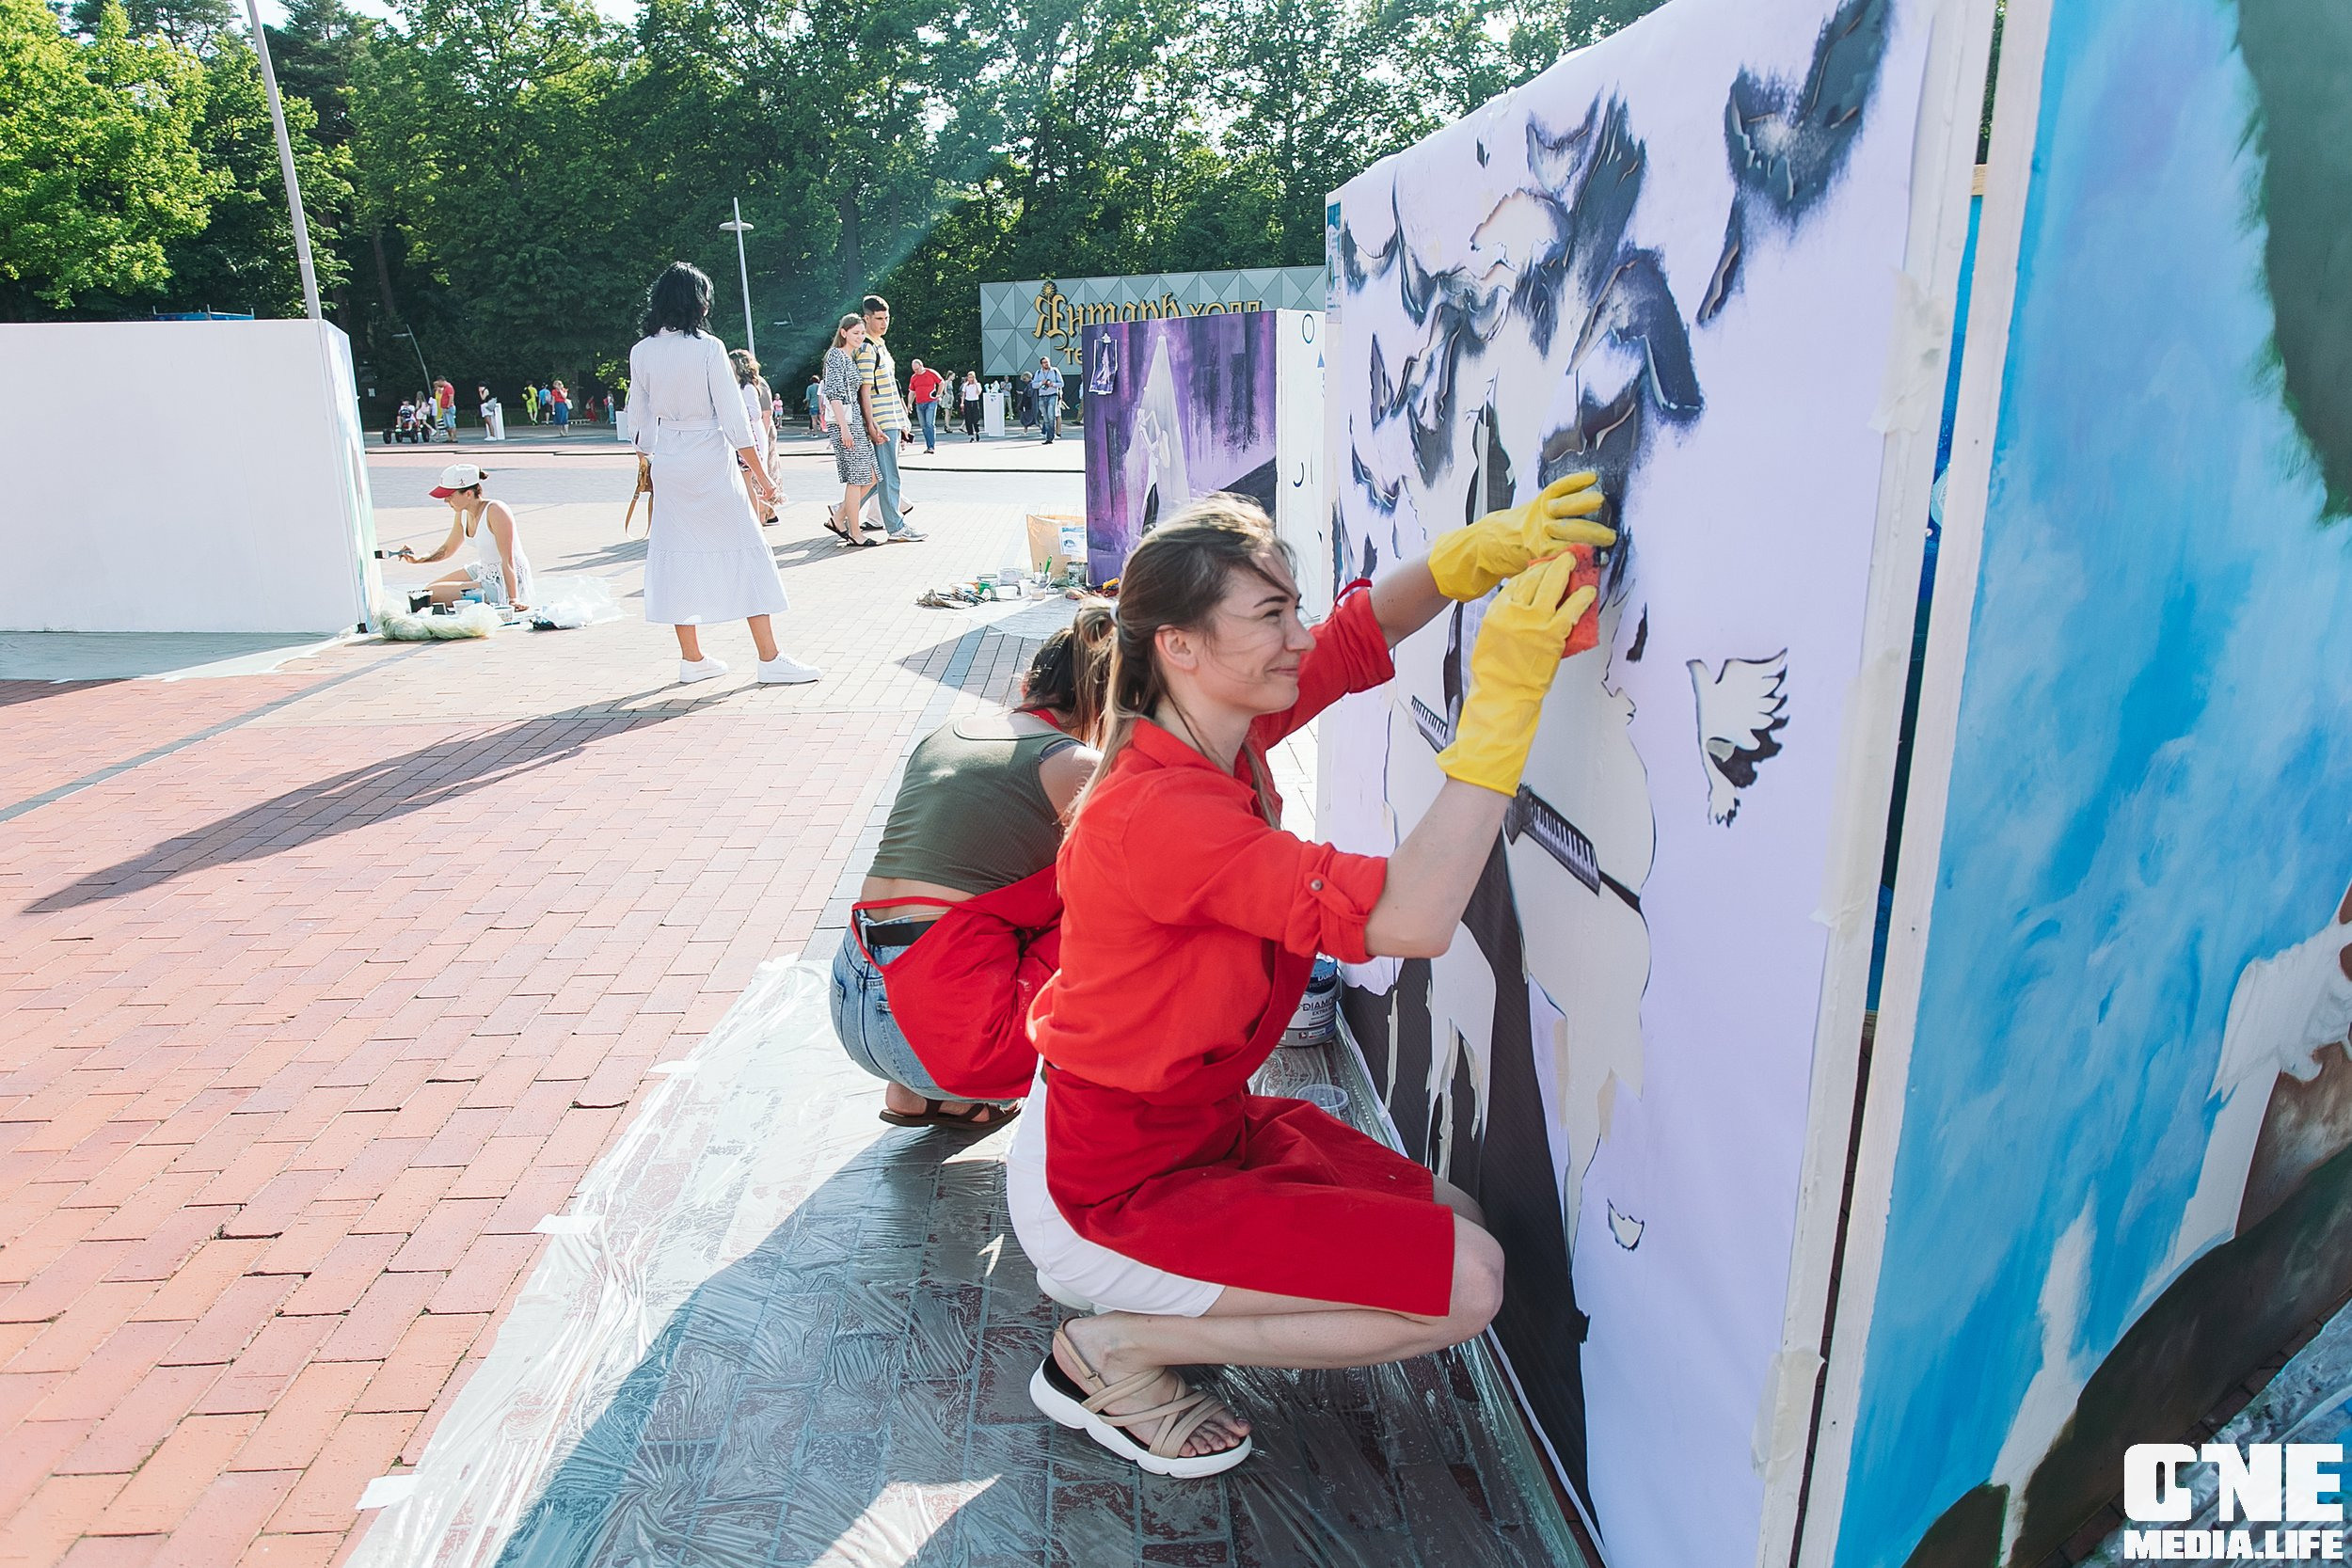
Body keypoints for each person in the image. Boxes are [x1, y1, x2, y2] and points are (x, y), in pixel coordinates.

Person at [1007, 481, 1615, 1477]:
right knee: (1466, 1284)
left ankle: (1138, 1326)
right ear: (1179, 646)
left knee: (1453, 1223)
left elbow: (1363, 628)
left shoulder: (1215, 729)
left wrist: (1482, 552)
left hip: (1190, 1126)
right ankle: (1115, 1349)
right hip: (1111, 1184)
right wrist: (1504, 701)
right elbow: (1413, 919)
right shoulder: (1155, 812)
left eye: (1293, 604)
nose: (1298, 634)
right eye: (1270, 613)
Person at [834, 604, 1115, 1128]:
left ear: (1029, 680)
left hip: (854, 1002)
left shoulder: (948, 733)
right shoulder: (1075, 765)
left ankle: (924, 1093)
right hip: (949, 1035)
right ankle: (958, 1085)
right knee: (1107, 911)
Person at [628, 261, 819, 686]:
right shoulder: (709, 348)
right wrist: (766, 481)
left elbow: (637, 425)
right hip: (709, 459)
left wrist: (649, 459)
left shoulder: (641, 352)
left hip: (669, 461)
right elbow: (735, 423)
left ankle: (692, 659)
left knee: (676, 554)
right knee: (747, 550)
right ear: (696, 301)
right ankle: (770, 659)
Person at [394, 462, 535, 610]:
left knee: (431, 595)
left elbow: (508, 559)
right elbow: (447, 549)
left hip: (504, 580)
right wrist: (418, 560)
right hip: (484, 569)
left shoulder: (496, 511)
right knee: (429, 589)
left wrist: (513, 600)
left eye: (449, 496)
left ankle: (499, 596)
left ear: (468, 493)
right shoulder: (462, 512)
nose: (445, 500)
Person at [853, 295, 923, 541]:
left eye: (887, 318)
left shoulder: (880, 345)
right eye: (879, 318)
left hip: (890, 419)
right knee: (888, 476)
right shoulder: (867, 348)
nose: (884, 323)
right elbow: (864, 390)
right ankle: (895, 527)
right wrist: (871, 424)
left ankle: (841, 514)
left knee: (879, 476)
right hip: (881, 422)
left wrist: (903, 420)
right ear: (867, 318)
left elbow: (891, 388)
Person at [821, 314, 881, 546]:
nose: (860, 337)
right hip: (846, 424)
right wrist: (845, 429)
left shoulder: (849, 357)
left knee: (872, 476)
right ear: (843, 332)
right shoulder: (836, 356)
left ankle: (839, 518)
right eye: (855, 333)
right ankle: (855, 533)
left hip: (854, 423)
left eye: (862, 333)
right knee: (856, 479)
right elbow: (834, 393)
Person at [730, 348, 782, 525]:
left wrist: (733, 413)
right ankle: (752, 519)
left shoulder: (747, 387)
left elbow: (755, 413)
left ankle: (754, 520)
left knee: (746, 480)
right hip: (743, 436)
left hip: (750, 436)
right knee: (744, 481)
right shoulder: (737, 386)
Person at [908, 357, 944, 454]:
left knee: (929, 423)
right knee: (923, 426)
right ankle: (928, 445)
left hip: (931, 401)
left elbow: (941, 382)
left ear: (921, 366)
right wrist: (909, 404)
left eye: (917, 369)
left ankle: (931, 446)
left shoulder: (931, 373)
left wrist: (938, 394)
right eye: (914, 370)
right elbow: (912, 392)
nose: (916, 371)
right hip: (919, 403)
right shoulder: (914, 377)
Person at [1034, 355, 1065, 443]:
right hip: (1042, 396)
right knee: (1046, 418)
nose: (1046, 364)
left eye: (1047, 362)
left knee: (1051, 416)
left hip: (1052, 395)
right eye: (1044, 363)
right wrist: (1041, 383)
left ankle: (1050, 438)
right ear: (1041, 364)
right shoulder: (1038, 373)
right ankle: (1048, 436)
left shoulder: (1054, 371)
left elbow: (1062, 384)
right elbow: (1034, 385)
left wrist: (1053, 384)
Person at [433, 378, 457, 443]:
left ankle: (454, 438)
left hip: (448, 408)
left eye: (439, 382)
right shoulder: (444, 388)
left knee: (451, 424)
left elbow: (451, 397)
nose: (438, 384)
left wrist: (448, 406)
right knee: (447, 425)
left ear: (441, 381)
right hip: (444, 408)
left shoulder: (449, 387)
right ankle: (450, 437)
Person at [961, 371, 982, 440]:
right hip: (968, 401)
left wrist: (975, 384)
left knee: (976, 418)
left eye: (972, 377)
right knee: (968, 419)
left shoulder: (978, 384)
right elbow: (963, 394)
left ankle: (977, 431)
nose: (970, 379)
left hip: (975, 401)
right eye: (969, 377)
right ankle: (971, 435)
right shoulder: (966, 385)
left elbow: (978, 393)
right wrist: (962, 402)